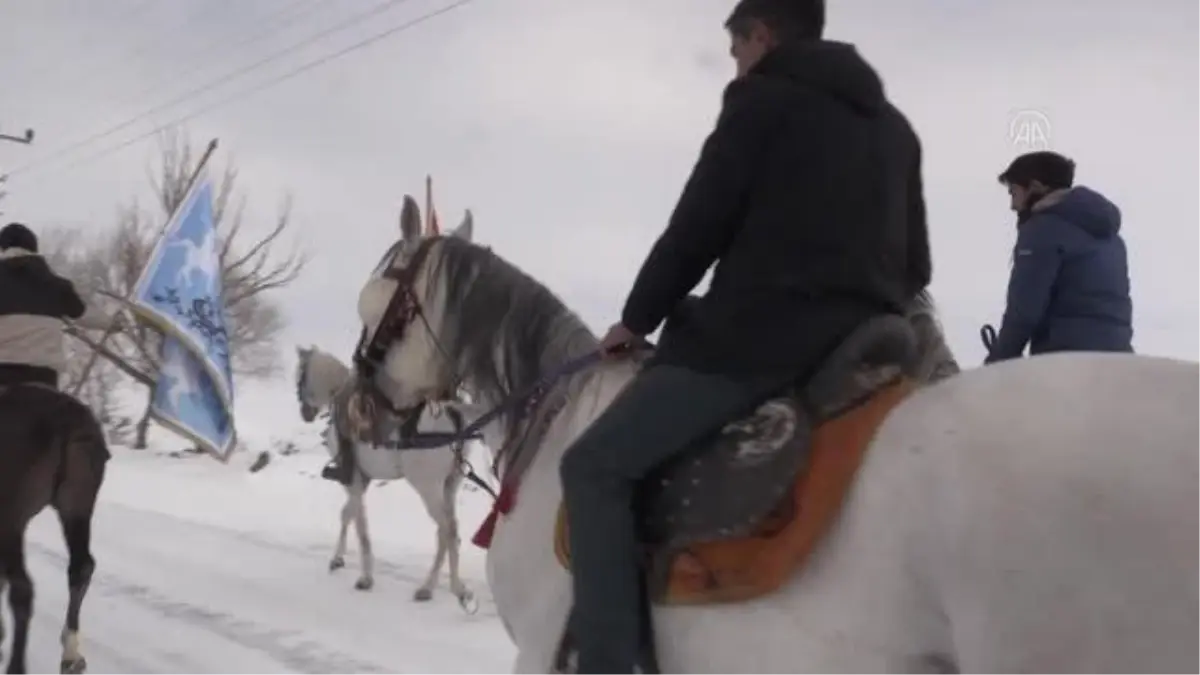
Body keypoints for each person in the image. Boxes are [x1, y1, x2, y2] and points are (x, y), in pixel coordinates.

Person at [557, 0, 932, 672]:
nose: (733, 62)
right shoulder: (897, 129)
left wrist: (636, 320)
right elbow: (919, 267)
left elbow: (697, 228)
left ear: (759, 35)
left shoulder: (762, 102)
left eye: (734, 49)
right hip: (872, 344)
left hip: (759, 342)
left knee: (592, 467)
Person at [984, 151, 1133, 363]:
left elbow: (1024, 311)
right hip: (1119, 358)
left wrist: (997, 363)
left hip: (1067, 362)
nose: (1012, 205)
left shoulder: (1041, 230)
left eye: (1013, 192)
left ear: (1035, 187)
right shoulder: (1110, 236)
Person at [0, 222, 116, 389]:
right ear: (34, 249)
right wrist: (113, 323)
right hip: (43, 377)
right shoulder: (57, 286)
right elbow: (85, 315)